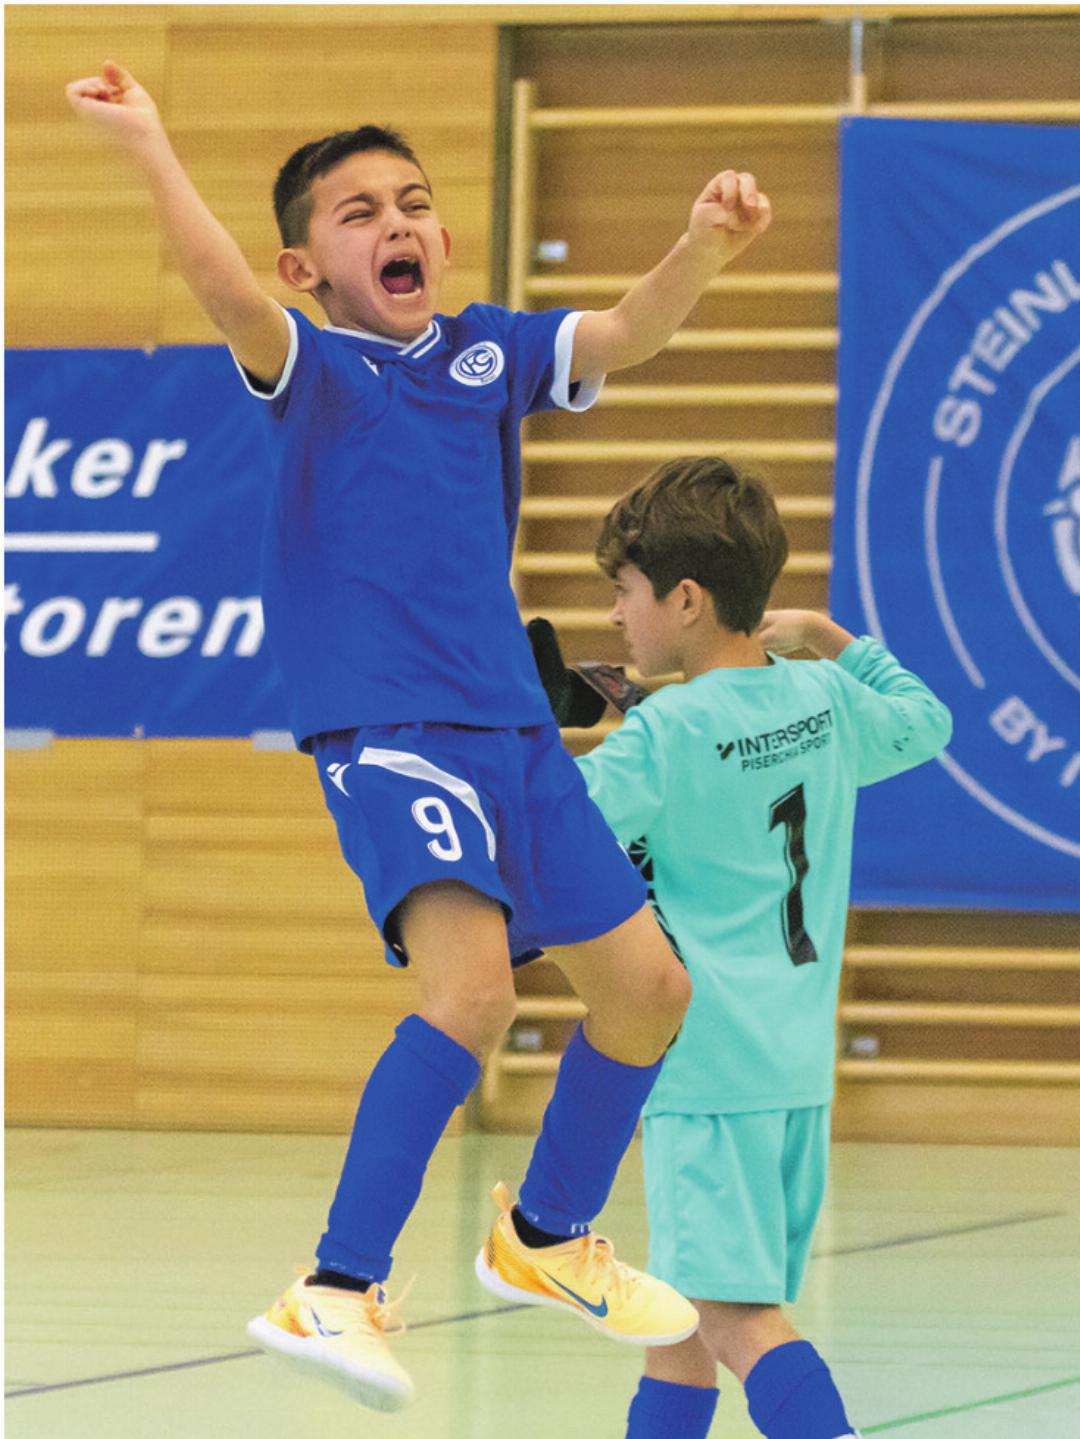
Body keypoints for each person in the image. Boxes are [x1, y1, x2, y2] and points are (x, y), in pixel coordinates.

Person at [65, 63, 775, 1413]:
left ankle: (547, 1233)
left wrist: (703, 245)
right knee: (473, 994)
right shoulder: (313, 367)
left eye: (412, 204)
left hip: (516, 731)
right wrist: (150, 143)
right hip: (390, 728)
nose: (395, 224)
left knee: (647, 988)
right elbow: (222, 292)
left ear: (442, 239)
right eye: (357, 214)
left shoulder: (488, 353)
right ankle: (334, 1284)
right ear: (306, 266)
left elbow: (628, 330)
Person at [529, 456, 952, 1439]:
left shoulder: (663, 735)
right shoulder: (824, 697)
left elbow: (550, 837)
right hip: (794, 1069)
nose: (616, 614)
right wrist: (830, 637)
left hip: (707, 1073)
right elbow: (925, 722)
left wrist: (519, 739)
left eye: (625, 591)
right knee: (677, 1318)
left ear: (685, 598)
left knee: (731, 1318)